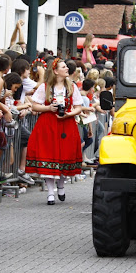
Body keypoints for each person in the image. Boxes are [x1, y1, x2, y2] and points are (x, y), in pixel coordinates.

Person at [25, 58, 83, 205]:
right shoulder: (45, 87)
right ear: (56, 71)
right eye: (63, 67)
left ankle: (61, 185)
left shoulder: (72, 87)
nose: (67, 69)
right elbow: (34, 105)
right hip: (48, 124)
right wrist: (48, 108)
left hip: (67, 123)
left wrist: (70, 114)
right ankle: (50, 192)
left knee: (66, 155)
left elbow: (78, 107)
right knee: (49, 155)